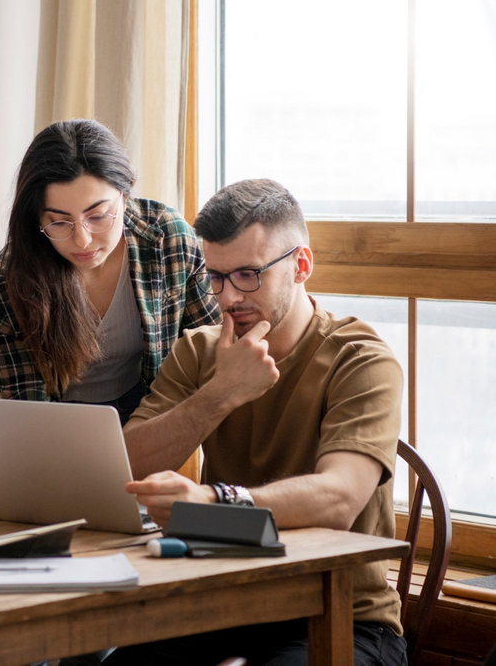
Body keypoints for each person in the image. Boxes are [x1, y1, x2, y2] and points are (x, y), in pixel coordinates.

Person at [108, 179, 407, 666]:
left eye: (249, 274)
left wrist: (214, 503)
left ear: (301, 265)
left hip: (344, 618)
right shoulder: (200, 351)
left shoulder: (361, 359)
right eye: (217, 277)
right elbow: (124, 464)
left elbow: (338, 499)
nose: (229, 298)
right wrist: (220, 395)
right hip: (223, 604)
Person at [0, 119, 219, 424]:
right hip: (46, 417)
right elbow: (28, 419)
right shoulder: (7, 282)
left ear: (125, 196)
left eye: (98, 216)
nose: (83, 240)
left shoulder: (167, 239)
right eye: (59, 222)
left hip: (145, 404)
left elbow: (210, 348)